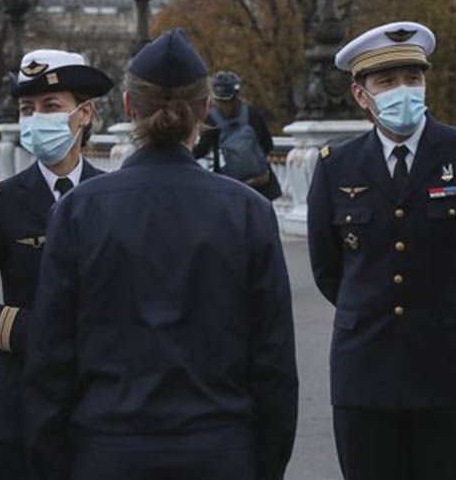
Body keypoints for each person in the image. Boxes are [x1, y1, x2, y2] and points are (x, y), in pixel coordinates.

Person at [23, 29, 299, 480]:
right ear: (205, 109)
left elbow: (50, 362)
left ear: (130, 108)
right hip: (220, 449)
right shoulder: (248, 210)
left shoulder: (79, 209)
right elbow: (274, 366)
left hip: (107, 449)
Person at [306, 22, 456, 480]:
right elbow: (328, 267)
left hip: (451, 367)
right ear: (361, 95)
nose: (403, 91)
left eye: (413, 79)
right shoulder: (337, 166)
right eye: (387, 82)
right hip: (365, 370)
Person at [0, 49, 114, 480]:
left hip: (101, 399)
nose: (36, 118)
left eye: (51, 107)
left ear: (85, 113)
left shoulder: (113, 197)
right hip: (22, 401)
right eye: (27, 109)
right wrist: (38, 332)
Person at [194, 71, 281, 201]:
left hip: (228, 188)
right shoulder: (252, 114)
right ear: (236, 94)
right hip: (261, 186)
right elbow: (268, 145)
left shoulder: (211, 119)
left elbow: (202, 149)